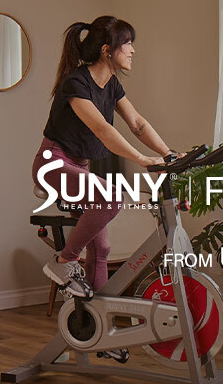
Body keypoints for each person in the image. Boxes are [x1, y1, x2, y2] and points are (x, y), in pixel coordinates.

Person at [32, 16, 179, 305]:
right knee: (111, 197)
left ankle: (97, 320)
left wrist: (168, 153)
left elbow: (137, 123)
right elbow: (102, 129)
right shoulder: (76, 83)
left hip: (79, 166)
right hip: (53, 165)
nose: (132, 50)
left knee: (101, 249)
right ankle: (64, 261)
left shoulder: (111, 85)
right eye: (127, 43)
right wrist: (140, 158)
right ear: (107, 50)